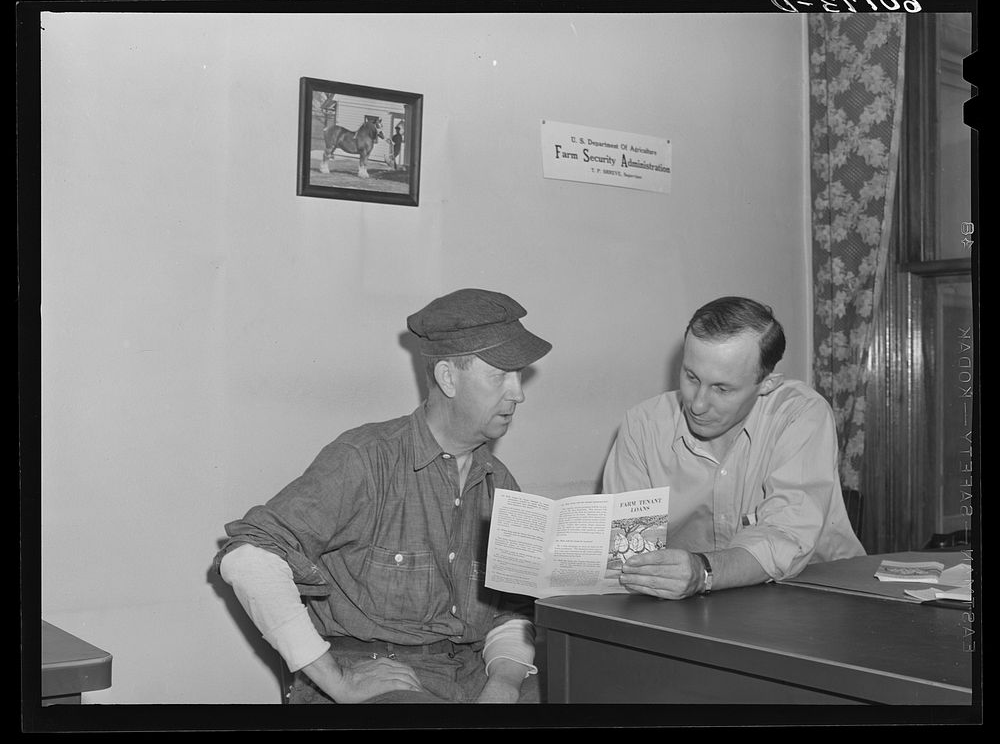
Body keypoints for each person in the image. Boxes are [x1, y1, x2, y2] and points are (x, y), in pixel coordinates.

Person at [213, 288, 551, 704]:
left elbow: (511, 612)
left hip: (473, 673)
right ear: (448, 378)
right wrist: (337, 680)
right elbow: (248, 558)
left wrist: (503, 683)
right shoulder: (364, 459)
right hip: (384, 678)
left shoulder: (499, 481)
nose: (518, 393)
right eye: (501, 374)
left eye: (519, 376)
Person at [601, 296, 864, 600]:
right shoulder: (642, 425)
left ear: (767, 384)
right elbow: (628, 552)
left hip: (820, 597)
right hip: (699, 608)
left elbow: (786, 535)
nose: (697, 404)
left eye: (722, 389)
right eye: (691, 377)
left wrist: (702, 571)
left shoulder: (800, 414)